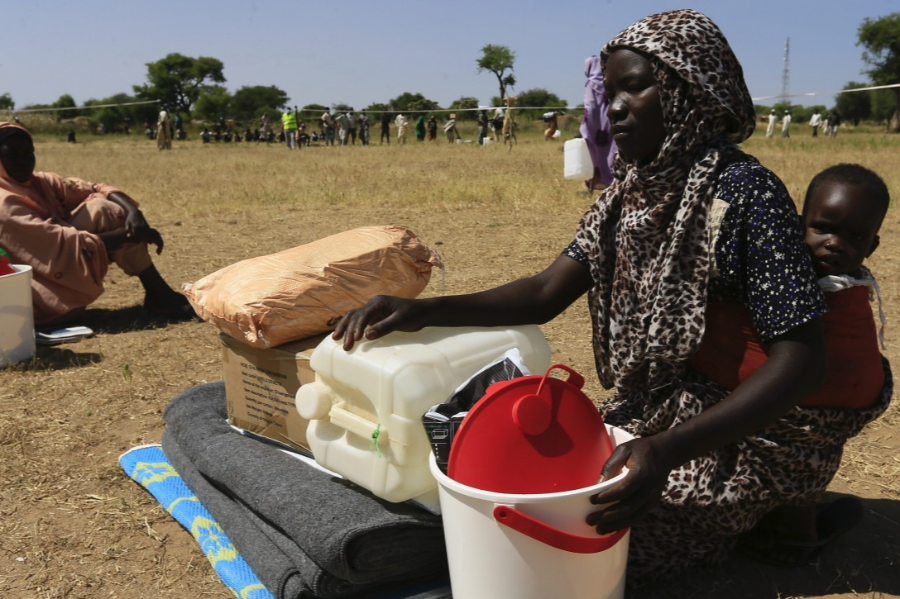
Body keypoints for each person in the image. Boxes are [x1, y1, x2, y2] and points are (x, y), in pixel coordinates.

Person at [331, 9, 876, 580]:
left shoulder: (745, 196)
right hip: (661, 410)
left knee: (604, 538)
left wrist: (666, 453)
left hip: (754, 426)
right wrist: (422, 310)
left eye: (635, 87)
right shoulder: (628, 195)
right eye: (608, 90)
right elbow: (545, 291)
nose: (611, 108)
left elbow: (803, 362)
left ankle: (779, 507)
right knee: (541, 488)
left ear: (688, 90)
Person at [726, 163, 892, 566]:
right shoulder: (780, 275)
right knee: (797, 467)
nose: (836, 244)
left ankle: (799, 536)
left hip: (824, 415)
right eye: (823, 228)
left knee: (806, 464)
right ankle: (793, 531)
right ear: (799, 225)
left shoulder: (850, 291)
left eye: (855, 237)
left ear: (872, 246)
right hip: (780, 412)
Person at [0, 122, 194, 325]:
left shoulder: (39, 183)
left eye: (28, 152)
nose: (22, 160)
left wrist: (133, 212)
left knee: (101, 208)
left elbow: (95, 187)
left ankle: (159, 294)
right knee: (105, 215)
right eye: (10, 154)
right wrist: (131, 234)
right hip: (39, 301)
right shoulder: (4, 203)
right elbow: (60, 244)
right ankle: (160, 295)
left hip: (60, 273)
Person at [580, 55, 615, 189]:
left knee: (594, 152)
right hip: (610, 122)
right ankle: (611, 178)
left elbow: (590, 107)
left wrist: (585, 126)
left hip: (594, 124)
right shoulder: (611, 82)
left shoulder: (591, 83)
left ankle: (597, 179)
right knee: (611, 149)